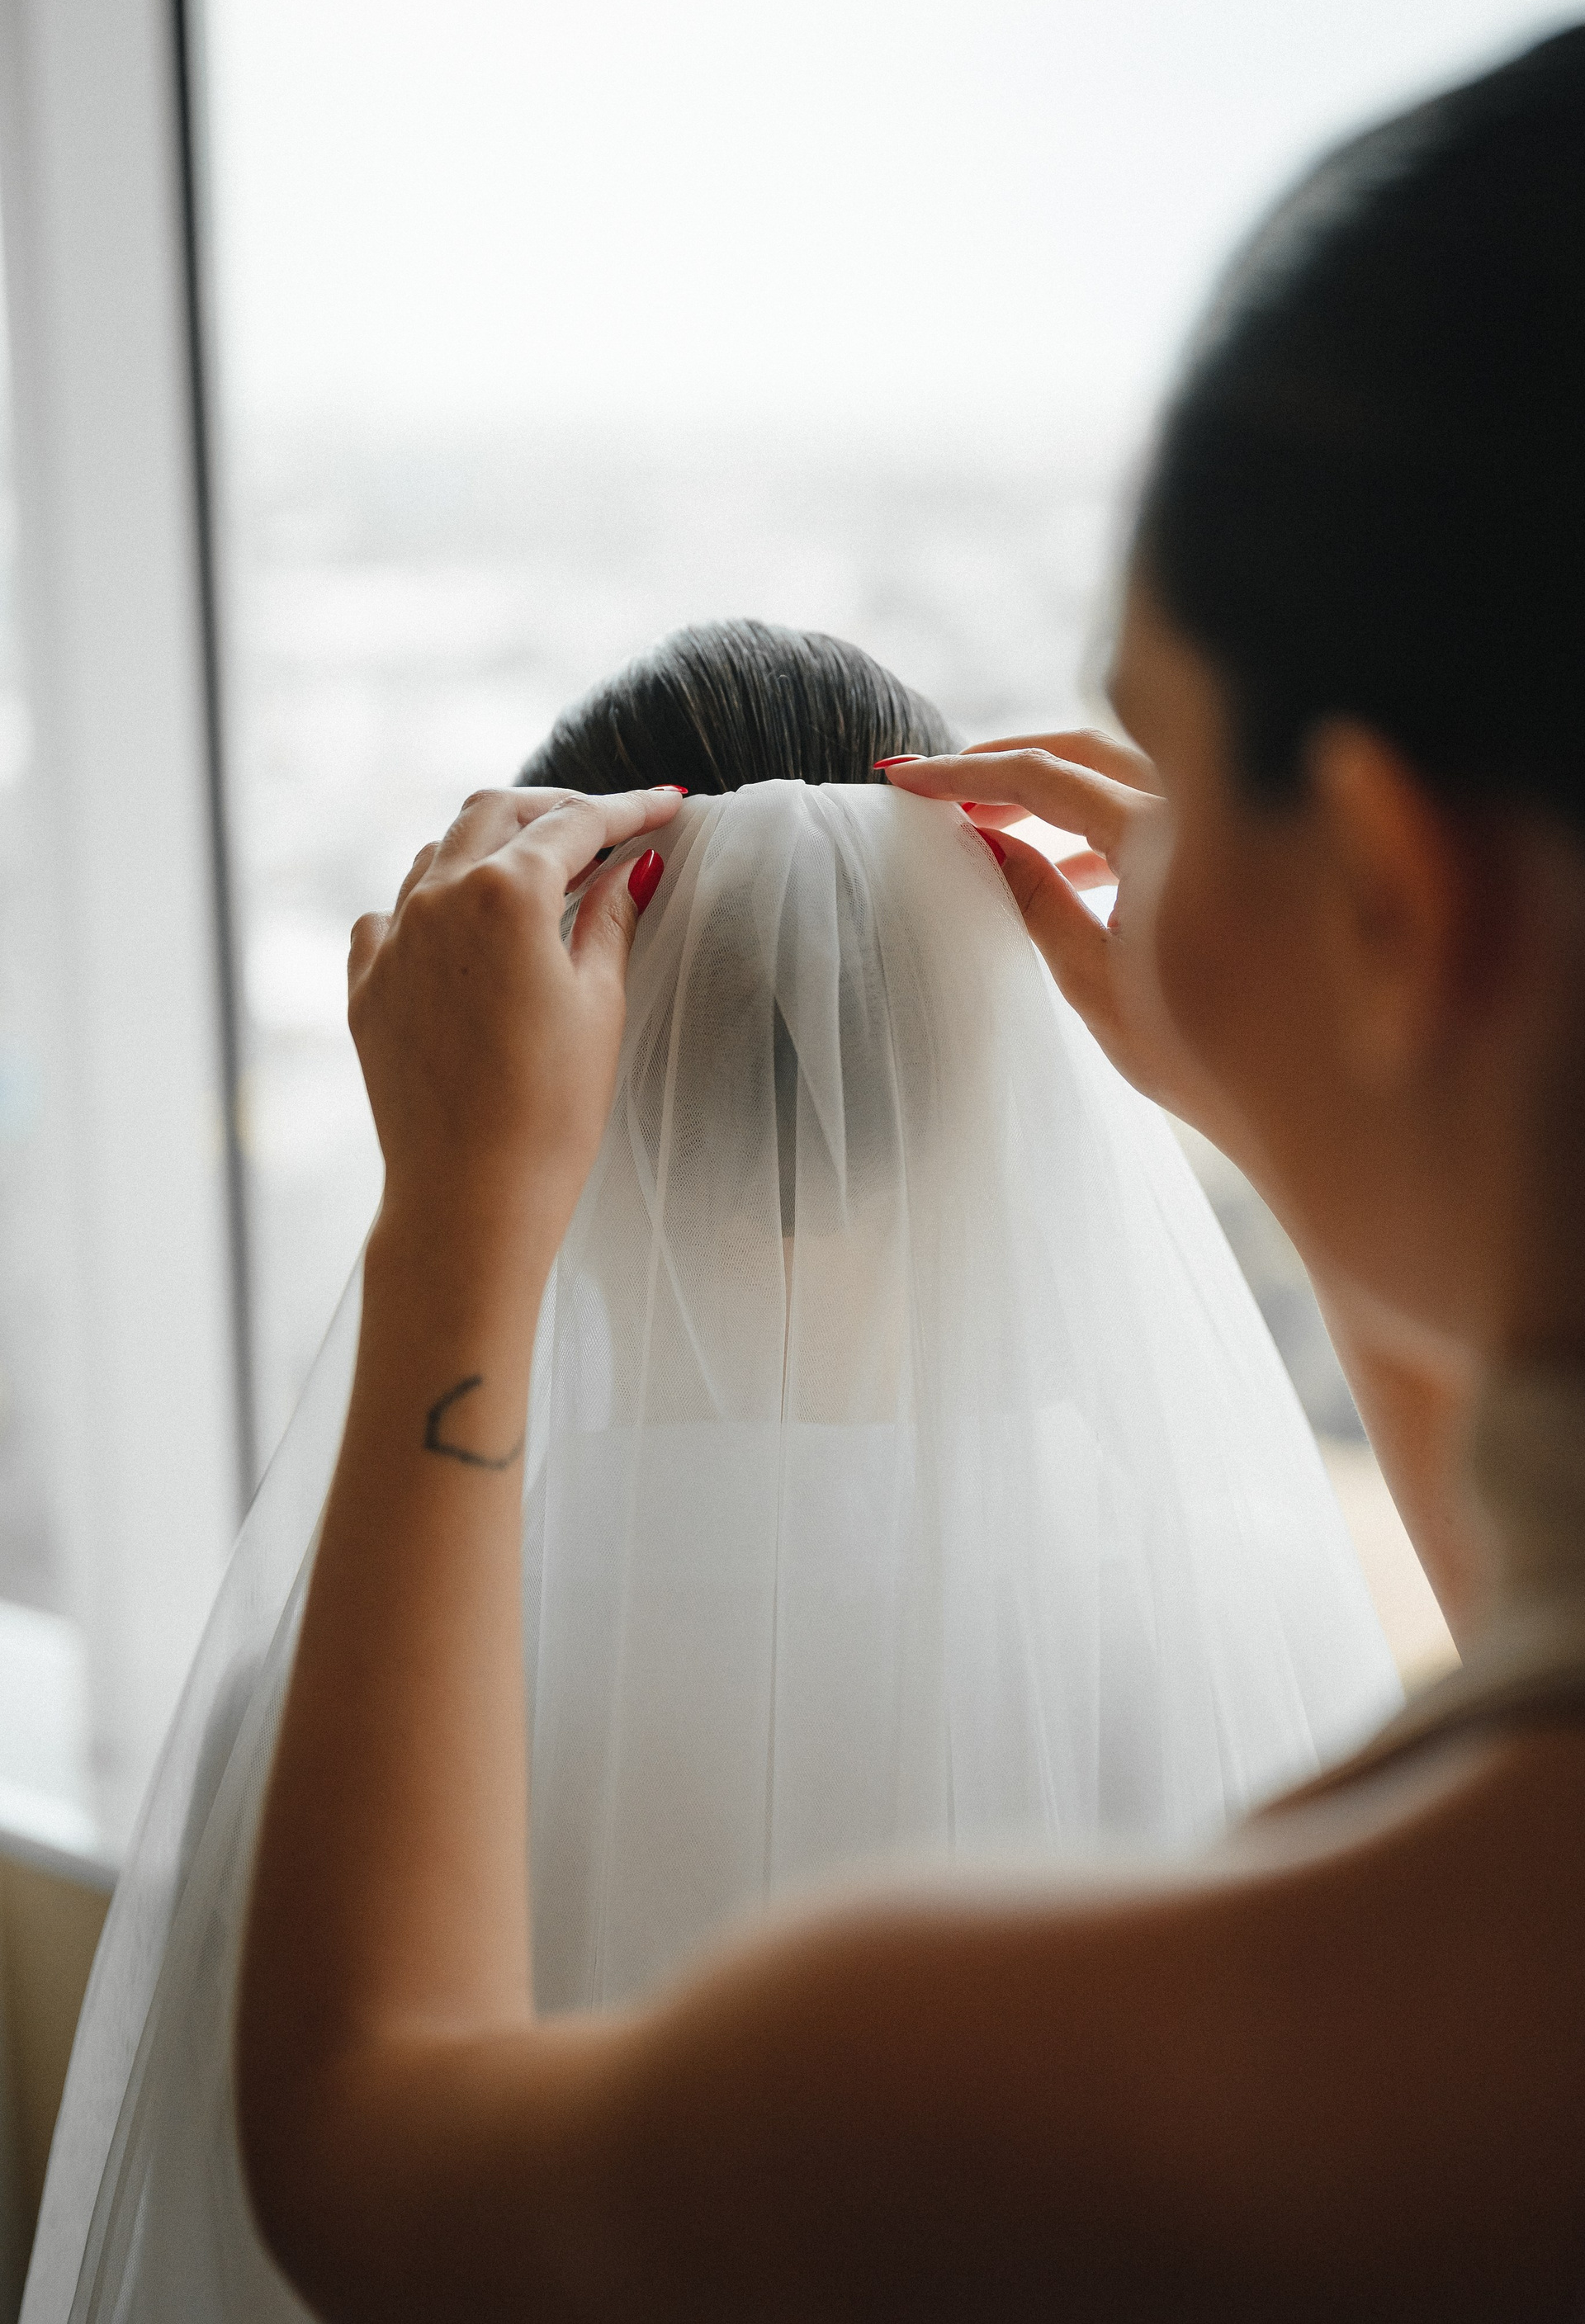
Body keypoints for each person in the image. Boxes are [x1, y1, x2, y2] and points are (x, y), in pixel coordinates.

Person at [221, 18, 1585, 2319]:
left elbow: (367, 2139)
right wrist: (1296, 1092)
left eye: (1172, 760)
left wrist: (451, 1235)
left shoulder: (1019, 2044)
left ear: (1390, 893)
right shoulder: (1322, 1738)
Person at [20, 620, 1395, 2324]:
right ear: (1007, 1056)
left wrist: (449, 1217)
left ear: (539, 1072)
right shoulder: (1221, 1641)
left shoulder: (343, 1704)